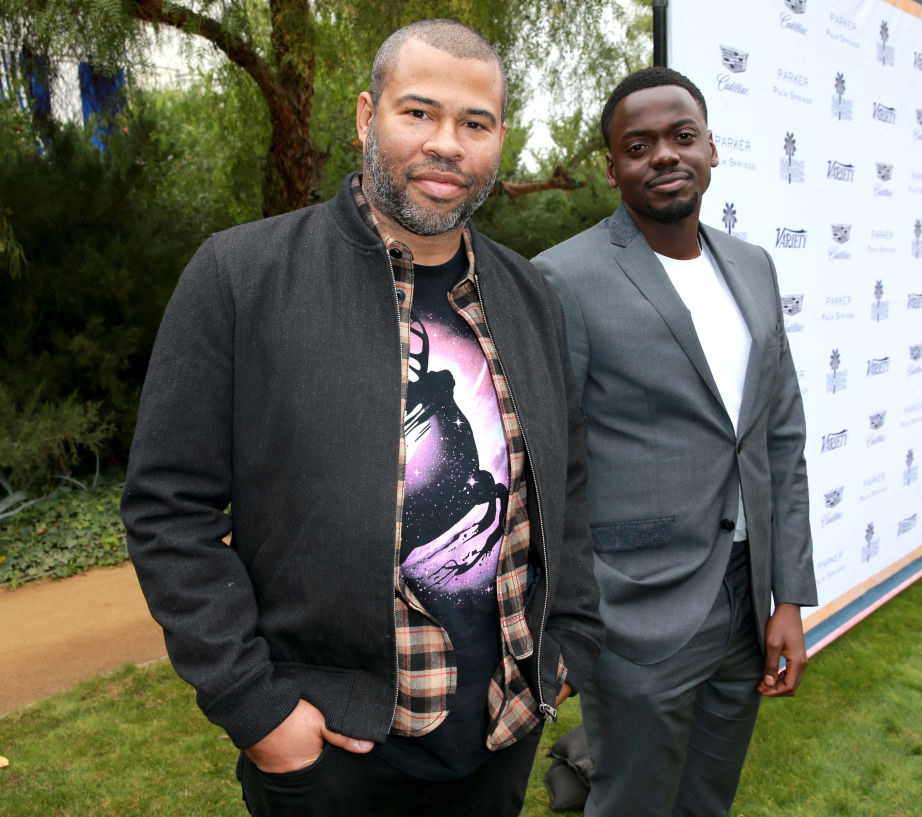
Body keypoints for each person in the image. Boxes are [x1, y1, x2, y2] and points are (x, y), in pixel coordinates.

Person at [121, 19, 602, 817]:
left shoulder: (531, 297)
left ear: (499, 139)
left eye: (474, 123)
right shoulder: (241, 278)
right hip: (331, 753)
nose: (446, 144)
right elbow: (168, 511)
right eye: (419, 113)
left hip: (500, 732)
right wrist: (257, 709)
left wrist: (570, 643)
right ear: (364, 116)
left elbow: (569, 484)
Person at [532, 67, 817, 817]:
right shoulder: (564, 278)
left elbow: (778, 436)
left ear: (712, 149)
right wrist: (572, 610)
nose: (664, 155)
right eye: (640, 144)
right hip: (635, 611)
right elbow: (548, 464)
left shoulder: (753, 268)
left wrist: (788, 594)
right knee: (631, 801)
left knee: (707, 801)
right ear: (612, 167)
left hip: (746, 599)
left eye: (681, 137)